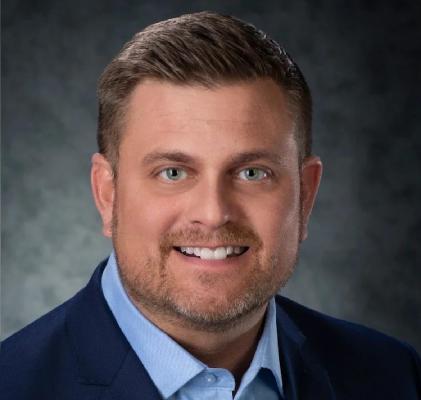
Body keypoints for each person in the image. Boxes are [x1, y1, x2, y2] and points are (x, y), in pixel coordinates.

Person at [1, 11, 419, 400]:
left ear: (305, 195)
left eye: (252, 173)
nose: (214, 213)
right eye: (173, 172)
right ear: (107, 194)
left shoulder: (394, 377)